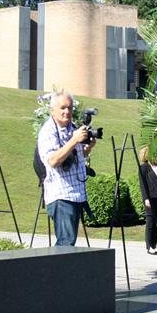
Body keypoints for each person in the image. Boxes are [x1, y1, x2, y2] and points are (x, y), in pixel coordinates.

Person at [36, 91, 96, 246]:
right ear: (52, 110)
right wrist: (74, 140)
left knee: (69, 242)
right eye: (62, 108)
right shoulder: (48, 132)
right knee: (66, 243)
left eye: (69, 108)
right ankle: (53, 270)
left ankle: (62, 269)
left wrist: (87, 149)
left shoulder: (73, 128)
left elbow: (74, 156)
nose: (67, 112)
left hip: (76, 193)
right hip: (61, 195)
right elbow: (53, 161)